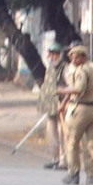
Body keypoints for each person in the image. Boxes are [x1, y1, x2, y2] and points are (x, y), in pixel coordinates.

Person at [59, 44, 93, 185]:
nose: (73, 60)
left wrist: (62, 91)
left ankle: (73, 173)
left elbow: (78, 89)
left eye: (77, 57)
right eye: (72, 57)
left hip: (81, 109)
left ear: (83, 57)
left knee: (72, 142)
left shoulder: (81, 71)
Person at [38, 42, 66, 170]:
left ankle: (63, 160)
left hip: (62, 106)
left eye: (56, 54)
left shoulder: (65, 68)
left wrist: (64, 102)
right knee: (52, 134)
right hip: (50, 106)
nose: (53, 57)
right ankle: (54, 158)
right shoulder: (49, 68)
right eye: (52, 54)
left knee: (63, 134)